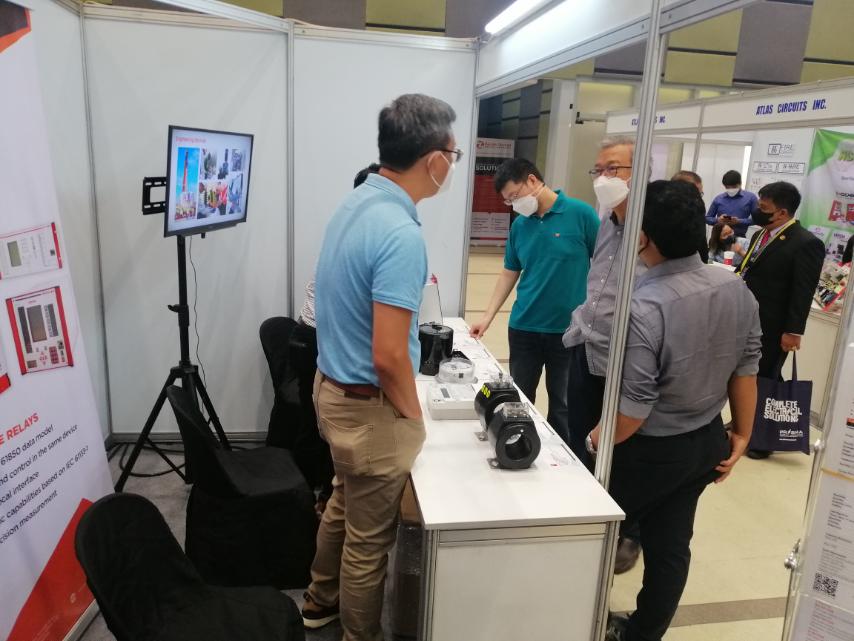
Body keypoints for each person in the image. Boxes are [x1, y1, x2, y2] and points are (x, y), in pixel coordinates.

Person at [301, 94, 458, 641]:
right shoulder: (400, 233)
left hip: (334, 391)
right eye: (454, 156)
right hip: (369, 409)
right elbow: (389, 355)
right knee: (370, 543)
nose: (452, 167)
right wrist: (413, 417)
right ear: (434, 160)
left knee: (344, 501)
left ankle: (318, 601)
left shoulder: (358, 201)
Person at [587, 180, 761, 641]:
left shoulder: (643, 306)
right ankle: (643, 633)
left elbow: (634, 410)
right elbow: (746, 367)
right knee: (671, 548)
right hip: (704, 442)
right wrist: (742, 434)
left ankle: (581, 620)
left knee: (595, 537)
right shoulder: (734, 287)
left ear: (643, 238)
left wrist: (593, 441)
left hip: (648, 451)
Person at [469, 158, 599, 446]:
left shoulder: (581, 214)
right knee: (519, 401)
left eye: (514, 196)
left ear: (532, 180)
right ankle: (520, 450)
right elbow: (509, 271)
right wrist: (487, 316)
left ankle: (564, 460)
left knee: (564, 405)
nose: (514, 204)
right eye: (508, 201)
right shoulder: (521, 225)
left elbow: (604, 264)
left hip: (568, 332)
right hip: (524, 328)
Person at [562, 135, 645, 574]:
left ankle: (627, 529)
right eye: (599, 170)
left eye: (614, 168)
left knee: (623, 446)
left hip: (628, 355)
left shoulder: (653, 225)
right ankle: (587, 511)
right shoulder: (606, 219)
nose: (603, 178)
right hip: (588, 343)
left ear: (640, 170)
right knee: (582, 433)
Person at [292, 164, 382, 518]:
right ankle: (309, 502)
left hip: (320, 336)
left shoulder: (354, 227)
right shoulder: (356, 236)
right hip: (315, 338)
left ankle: (316, 497)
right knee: (322, 426)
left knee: (320, 424)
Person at [736, 181, 824, 459]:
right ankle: (744, 426)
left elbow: (802, 291)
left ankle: (762, 439)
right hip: (749, 320)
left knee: (767, 378)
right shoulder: (760, 234)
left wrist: (793, 330)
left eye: (763, 207)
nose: (757, 211)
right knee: (748, 376)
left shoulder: (806, 243)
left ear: (782, 212)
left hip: (775, 325)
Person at [705, 170, 758, 238]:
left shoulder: (751, 198)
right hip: (718, 237)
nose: (731, 189)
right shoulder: (718, 199)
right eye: (728, 187)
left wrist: (739, 221)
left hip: (739, 237)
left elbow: (757, 219)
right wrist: (718, 220)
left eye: (734, 187)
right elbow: (707, 218)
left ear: (740, 183)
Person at [671, 170, 708, 263]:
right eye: (695, 194)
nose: (698, 199)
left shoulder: (697, 211)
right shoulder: (659, 214)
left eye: (700, 194)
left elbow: (702, 247)